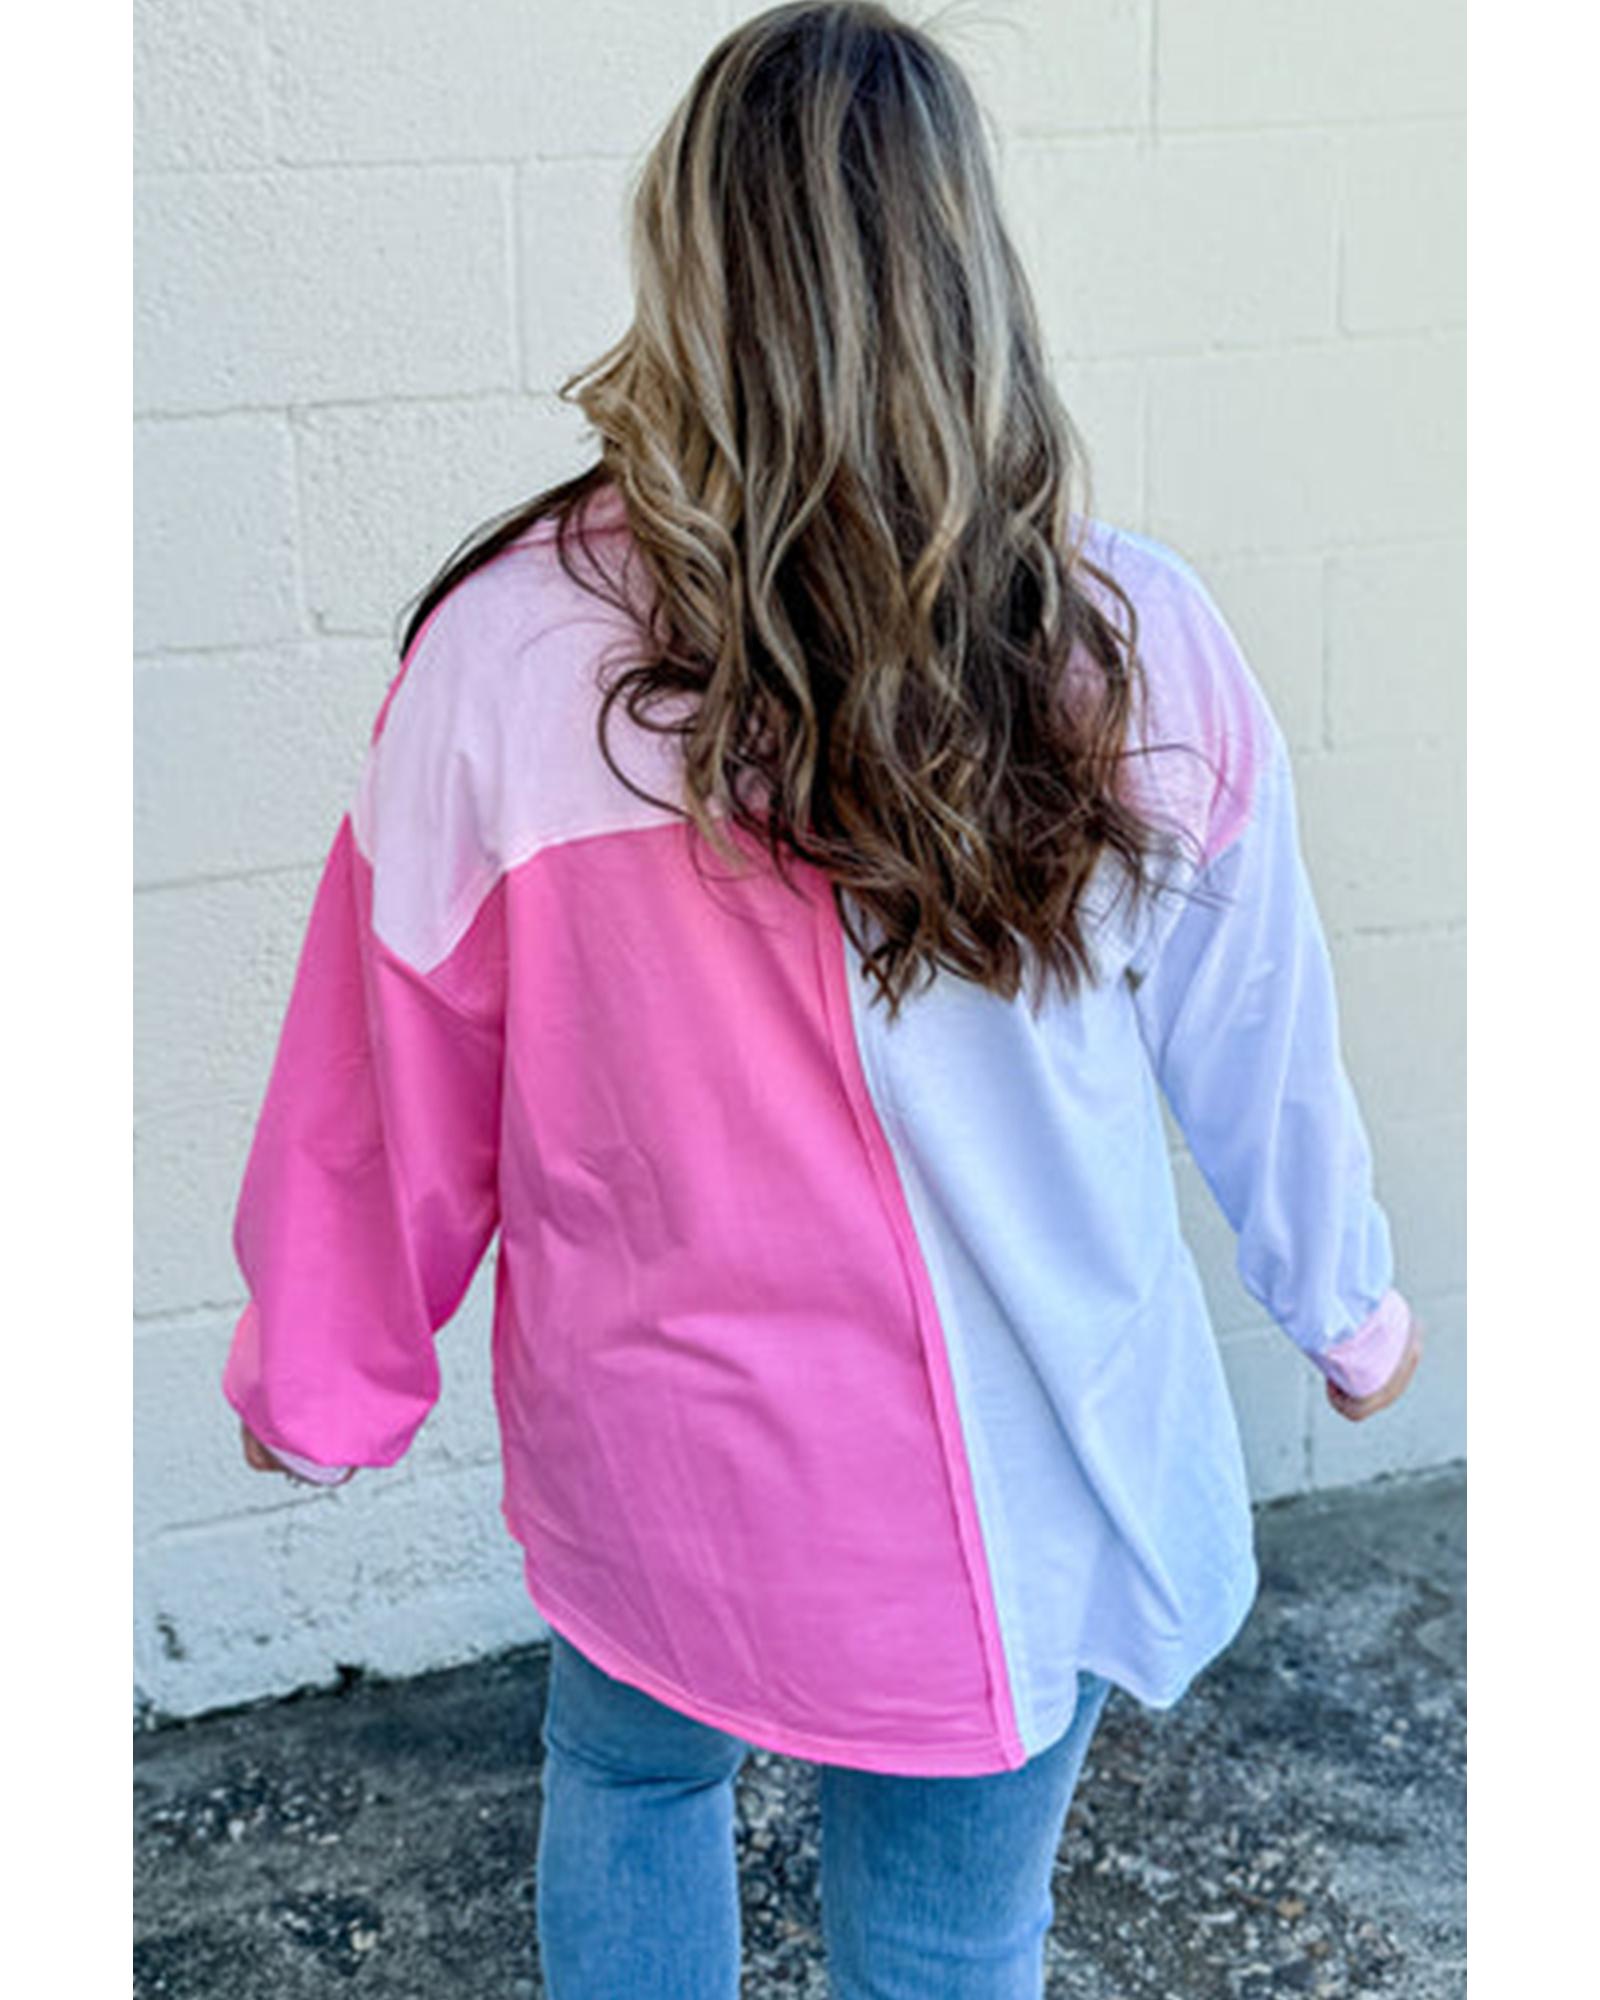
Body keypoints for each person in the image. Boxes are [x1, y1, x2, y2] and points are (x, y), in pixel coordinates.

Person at [222, 4, 1424, 1994]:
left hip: (663, 1465)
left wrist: (325, 1373)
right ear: (971, 273)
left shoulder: (501, 654)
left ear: (681, 268)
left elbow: (383, 1064)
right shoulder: (1130, 642)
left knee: (631, 1773)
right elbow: (1262, 1038)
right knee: (948, 1934)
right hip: (1015, 1482)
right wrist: (1344, 1304)